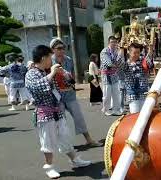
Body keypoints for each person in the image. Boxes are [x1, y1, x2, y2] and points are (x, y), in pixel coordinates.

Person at [25, 45, 91, 179]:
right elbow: (38, 87)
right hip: (45, 113)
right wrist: (52, 73)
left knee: (65, 136)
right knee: (47, 140)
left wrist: (64, 74)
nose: (52, 60)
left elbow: (68, 83)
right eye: (50, 57)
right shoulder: (31, 73)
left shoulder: (48, 70)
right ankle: (49, 166)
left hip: (57, 110)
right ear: (44, 58)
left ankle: (75, 159)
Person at [50, 38, 101, 147]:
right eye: (59, 48)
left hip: (70, 94)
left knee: (79, 117)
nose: (62, 51)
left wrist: (70, 81)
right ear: (53, 50)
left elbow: (72, 78)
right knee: (61, 121)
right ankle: (64, 144)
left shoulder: (68, 60)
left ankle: (88, 139)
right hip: (57, 96)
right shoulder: (50, 62)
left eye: (63, 48)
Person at [123, 43, 153, 113]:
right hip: (132, 93)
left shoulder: (142, 60)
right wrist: (121, 49)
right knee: (134, 114)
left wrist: (150, 50)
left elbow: (149, 64)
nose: (136, 54)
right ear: (129, 53)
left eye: (138, 52)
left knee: (145, 114)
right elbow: (119, 63)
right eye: (134, 53)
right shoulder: (126, 63)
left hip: (143, 92)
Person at [100, 36, 125, 116]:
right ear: (109, 43)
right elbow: (109, 64)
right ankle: (106, 109)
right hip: (106, 75)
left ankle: (116, 109)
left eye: (115, 42)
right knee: (107, 94)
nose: (113, 44)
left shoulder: (116, 51)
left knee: (116, 93)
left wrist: (119, 61)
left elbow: (121, 62)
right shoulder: (104, 52)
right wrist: (117, 64)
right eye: (112, 42)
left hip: (114, 74)